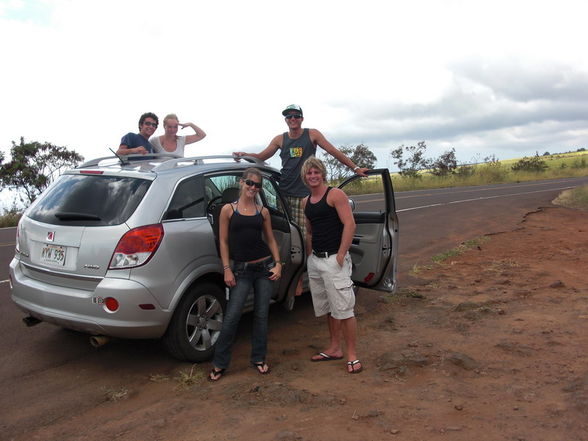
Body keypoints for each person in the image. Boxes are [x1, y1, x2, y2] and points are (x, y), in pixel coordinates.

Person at [233, 104, 369, 294]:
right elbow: (262, 156)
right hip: (283, 195)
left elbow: (333, 151)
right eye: (289, 116)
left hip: (303, 196)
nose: (292, 119)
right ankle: (285, 273)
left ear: (302, 118)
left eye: (296, 116)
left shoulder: (312, 134)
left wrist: (355, 168)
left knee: (305, 239)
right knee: (285, 239)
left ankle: (300, 276)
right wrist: (245, 155)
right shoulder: (280, 139)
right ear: (286, 120)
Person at [209, 167, 283, 381]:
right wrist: (226, 269)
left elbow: (270, 240)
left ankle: (259, 358)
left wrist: (278, 264)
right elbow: (222, 241)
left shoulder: (263, 212)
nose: (253, 187)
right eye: (250, 183)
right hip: (241, 270)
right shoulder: (228, 210)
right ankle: (220, 363)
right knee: (232, 317)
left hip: (264, 268)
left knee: (261, 316)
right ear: (241, 183)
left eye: (257, 185)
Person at [301, 156, 362, 374]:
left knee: (344, 309)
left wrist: (341, 254)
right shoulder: (305, 202)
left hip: (334, 259)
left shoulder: (335, 194)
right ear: (305, 177)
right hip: (316, 261)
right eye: (309, 173)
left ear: (322, 173)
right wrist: (310, 257)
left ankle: (352, 355)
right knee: (329, 308)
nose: (313, 176)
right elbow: (309, 231)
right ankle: (335, 347)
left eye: (316, 172)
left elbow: (349, 224)